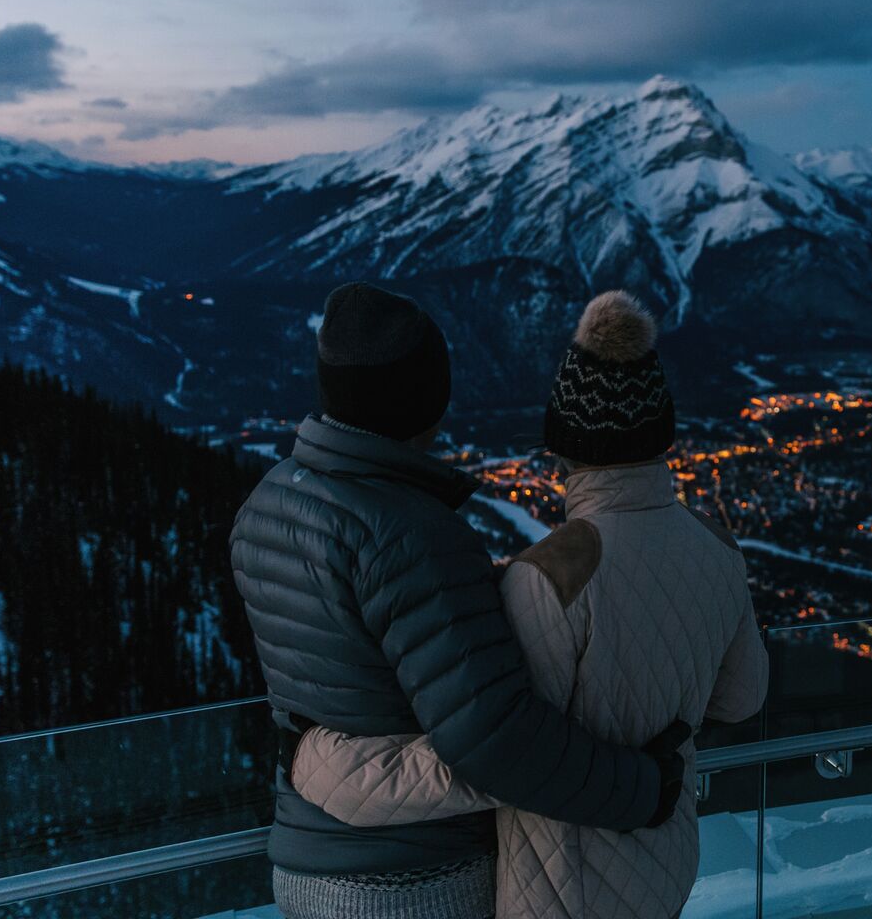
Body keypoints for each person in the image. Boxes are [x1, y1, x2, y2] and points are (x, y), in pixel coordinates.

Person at [288, 289, 770, 919]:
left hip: (561, 886)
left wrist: (325, 767)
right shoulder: (717, 546)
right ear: (662, 435)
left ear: (563, 445)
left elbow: (502, 757)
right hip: (667, 859)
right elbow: (742, 697)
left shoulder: (551, 576)